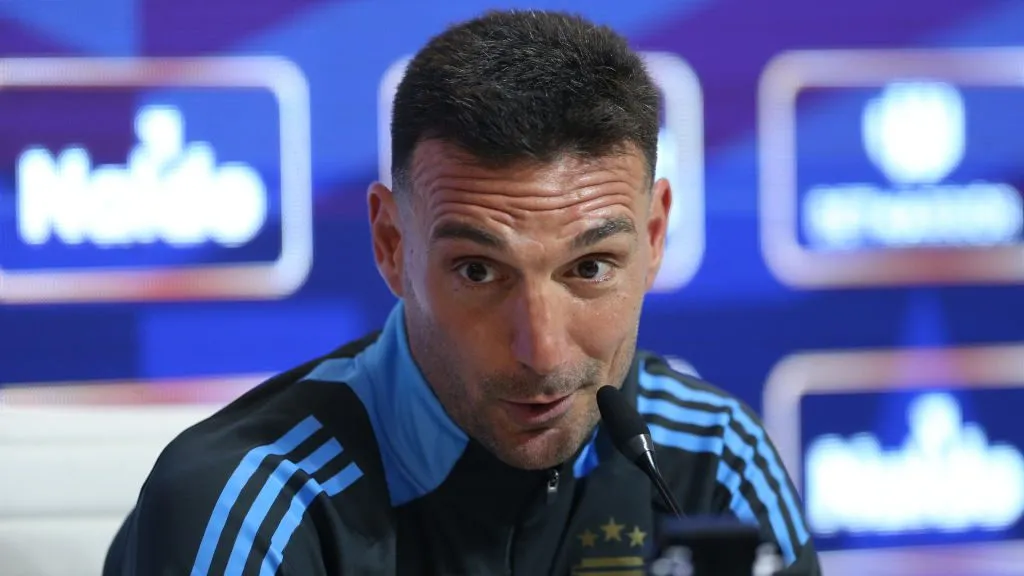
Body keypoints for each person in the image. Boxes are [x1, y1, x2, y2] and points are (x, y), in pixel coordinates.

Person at [103, 9, 820, 576]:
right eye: (479, 272)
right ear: (391, 244)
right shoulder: (252, 504)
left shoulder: (712, 458)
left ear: (656, 235)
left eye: (590, 267)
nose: (540, 349)